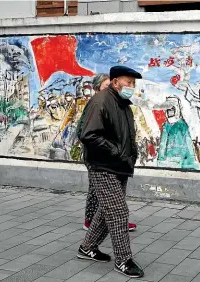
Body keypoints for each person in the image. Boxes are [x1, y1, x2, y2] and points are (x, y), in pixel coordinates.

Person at [76, 66, 144, 278]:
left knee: (107, 211)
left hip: (119, 166)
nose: (132, 87)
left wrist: (129, 154)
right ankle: (123, 259)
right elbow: (89, 134)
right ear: (115, 82)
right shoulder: (101, 101)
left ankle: (87, 247)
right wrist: (116, 152)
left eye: (133, 83)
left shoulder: (122, 103)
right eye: (129, 82)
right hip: (103, 165)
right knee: (118, 211)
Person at [82, 73, 137, 232]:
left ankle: (113, 221)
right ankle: (91, 220)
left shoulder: (116, 103)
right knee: (96, 190)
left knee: (113, 195)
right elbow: (86, 133)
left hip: (113, 157)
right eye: (106, 86)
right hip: (98, 157)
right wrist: (114, 149)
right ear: (98, 88)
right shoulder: (96, 103)